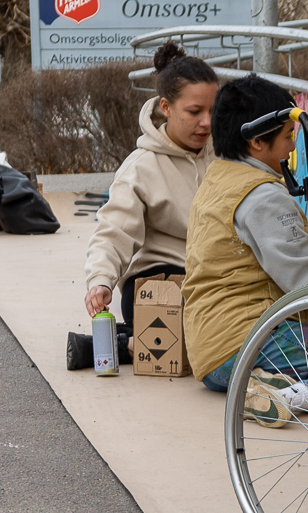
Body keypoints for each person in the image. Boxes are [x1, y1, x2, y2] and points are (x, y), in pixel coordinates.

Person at [183, 74, 308, 421]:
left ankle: (259, 384)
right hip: (248, 343)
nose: (293, 147)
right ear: (257, 143)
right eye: (287, 136)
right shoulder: (263, 196)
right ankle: (290, 396)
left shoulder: (218, 178)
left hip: (208, 355)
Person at [82, 42, 218, 322]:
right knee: (195, 318)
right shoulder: (141, 167)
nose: (206, 122)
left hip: (215, 276)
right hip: (161, 277)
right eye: (195, 112)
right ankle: (131, 342)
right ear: (165, 107)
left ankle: (128, 344)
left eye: (212, 111)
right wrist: (101, 279)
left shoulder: (227, 154)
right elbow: (114, 230)